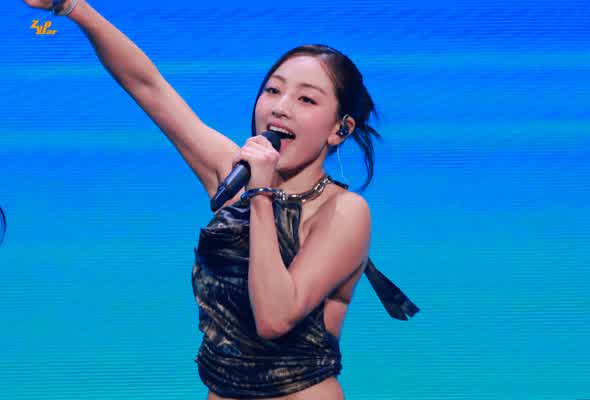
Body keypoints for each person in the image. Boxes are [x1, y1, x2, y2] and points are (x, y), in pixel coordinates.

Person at [23, 0, 419, 398]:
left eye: (306, 100)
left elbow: (275, 318)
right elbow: (148, 86)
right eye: (273, 90)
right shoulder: (231, 172)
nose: (280, 108)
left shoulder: (344, 211)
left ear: (340, 129)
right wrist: (71, 6)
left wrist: (260, 194)